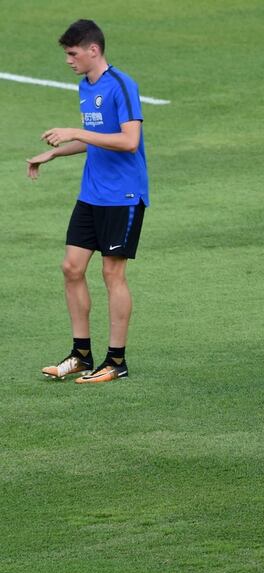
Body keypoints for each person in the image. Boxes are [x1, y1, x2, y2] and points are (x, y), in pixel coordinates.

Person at [27, 19, 149, 383]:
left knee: (112, 273)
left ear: (93, 49)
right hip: (92, 193)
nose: (68, 60)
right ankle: (81, 354)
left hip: (123, 195)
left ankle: (116, 360)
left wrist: (75, 131)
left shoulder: (122, 86)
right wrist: (56, 153)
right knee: (71, 268)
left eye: (72, 53)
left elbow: (128, 140)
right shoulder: (85, 85)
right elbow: (96, 138)